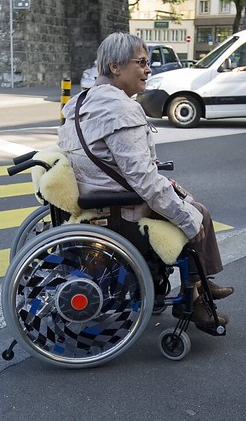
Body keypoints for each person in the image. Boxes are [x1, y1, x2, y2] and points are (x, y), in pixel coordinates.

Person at [57, 32, 233, 328]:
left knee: (185, 202)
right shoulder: (122, 109)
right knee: (199, 213)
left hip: (97, 198)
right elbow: (143, 180)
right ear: (115, 67)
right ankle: (196, 294)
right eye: (141, 63)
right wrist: (187, 217)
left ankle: (200, 286)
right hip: (121, 212)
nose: (148, 69)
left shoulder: (79, 102)